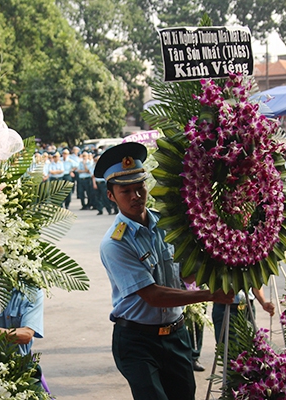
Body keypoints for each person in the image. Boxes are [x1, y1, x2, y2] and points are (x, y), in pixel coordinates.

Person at [95, 142, 234, 400]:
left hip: (176, 335)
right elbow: (153, 295)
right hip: (137, 341)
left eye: (140, 188)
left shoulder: (168, 225)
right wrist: (210, 296)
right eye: (126, 191)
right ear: (111, 196)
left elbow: (186, 276)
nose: (136, 196)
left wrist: (220, 261)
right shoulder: (115, 243)